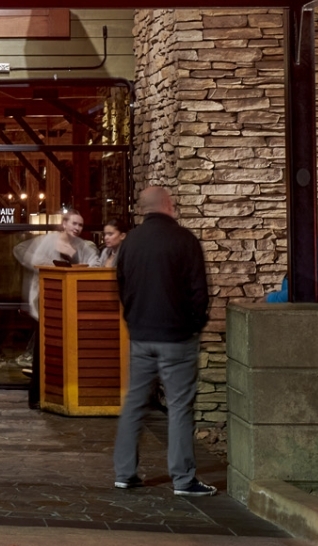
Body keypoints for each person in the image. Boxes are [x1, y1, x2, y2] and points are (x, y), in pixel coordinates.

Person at [113, 186, 214, 496]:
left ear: (144, 209)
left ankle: (124, 473)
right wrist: (195, 325)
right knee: (179, 406)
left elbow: (122, 286)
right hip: (177, 336)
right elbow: (199, 291)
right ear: (168, 205)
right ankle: (183, 479)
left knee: (134, 403)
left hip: (141, 335)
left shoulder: (130, 242)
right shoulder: (184, 240)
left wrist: (133, 321)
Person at [14, 210, 97, 319]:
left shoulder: (82, 245)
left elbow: (94, 263)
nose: (77, 228)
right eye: (74, 223)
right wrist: (48, 265)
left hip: (72, 295)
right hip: (50, 293)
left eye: (80, 225)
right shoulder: (48, 240)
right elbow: (19, 249)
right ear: (64, 224)